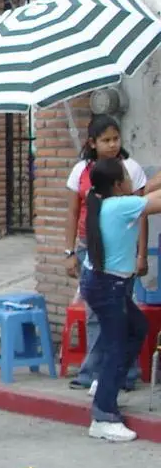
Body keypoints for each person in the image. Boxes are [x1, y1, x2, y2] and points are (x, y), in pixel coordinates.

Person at [77, 157, 161, 442]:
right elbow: (153, 200)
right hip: (107, 286)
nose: (131, 178)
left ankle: (105, 382)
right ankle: (102, 415)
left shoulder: (106, 201)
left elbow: (145, 191)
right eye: (126, 175)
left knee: (137, 328)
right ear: (117, 184)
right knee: (116, 343)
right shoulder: (121, 206)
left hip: (102, 282)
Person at [65, 115, 151, 392]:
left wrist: (141, 254)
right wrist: (69, 251)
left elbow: (143, 206)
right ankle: (102, 383)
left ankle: (114, 376)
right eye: (106, 140)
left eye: (116, 138)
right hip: (102, 263)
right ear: (92, 143)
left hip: (108, 263)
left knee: (128, 324)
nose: (113, 145)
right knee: (115, 326)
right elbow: (145, 203)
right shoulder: (115, 202)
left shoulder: (113, 195)